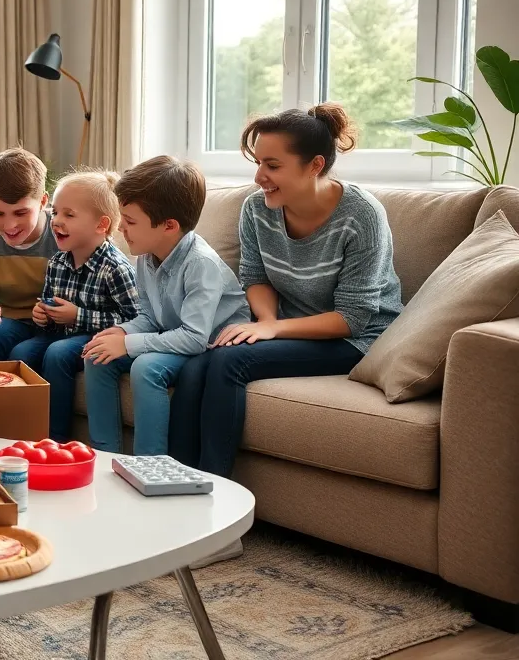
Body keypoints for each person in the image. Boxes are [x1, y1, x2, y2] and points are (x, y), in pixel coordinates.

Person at [169, 104, 402, 567]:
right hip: (291, 326)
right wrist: (264, 323)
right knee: (197, 361)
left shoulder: (362, 216)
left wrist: (271, 329)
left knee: (228, 360)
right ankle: (176, 505)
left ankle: (219, 527)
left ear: (315, 164)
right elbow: (256, 276)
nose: (260, 176)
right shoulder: (257, 209)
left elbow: (353, 317)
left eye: (272, 165)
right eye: (257, 162)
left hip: (354, 339)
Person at [80, 156, 248, 457]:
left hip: (210, 346)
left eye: (130, 221)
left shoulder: (201, 264)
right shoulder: (146, 254)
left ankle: (151, 465)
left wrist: (129, 343)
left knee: (146, 367)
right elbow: (147, 315)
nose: (121, 229)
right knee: (97, 354)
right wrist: (118, 331)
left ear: (169, 225)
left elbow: (195, 338)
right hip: (172, 336)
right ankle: (105, 457)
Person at [37, 170, 139, 442]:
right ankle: (28, 430)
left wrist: (78, 316)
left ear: (101, 225)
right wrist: (42, 313)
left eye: (69, 215)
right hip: (63, 332)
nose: (56, 220)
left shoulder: (115, 268)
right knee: (22, 350)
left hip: (96, 336)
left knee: (58, 353)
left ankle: (55, 439)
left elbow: (133, 319)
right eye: (55, 212)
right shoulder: (57, 263)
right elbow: (48, 302)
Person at [0, 146, 61, 372]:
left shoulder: (62, 231)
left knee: (25, 353)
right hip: (9, 321)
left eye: (20, 213)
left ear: (43, 202)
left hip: (58, 326)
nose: (9, 226)